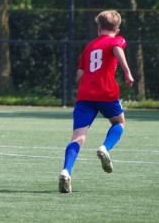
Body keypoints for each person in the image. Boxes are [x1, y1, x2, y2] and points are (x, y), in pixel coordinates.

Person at [58, 10, 134, 193]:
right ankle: (105, 148)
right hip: (106, 92)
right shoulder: (117, 39)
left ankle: (66, 171)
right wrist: (127, 71)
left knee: (78, 137)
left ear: (99, 28)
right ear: (117, 29)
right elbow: (117, 48)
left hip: (85, 95)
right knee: (119, 122)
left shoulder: (89, 46)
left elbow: (80, 74)